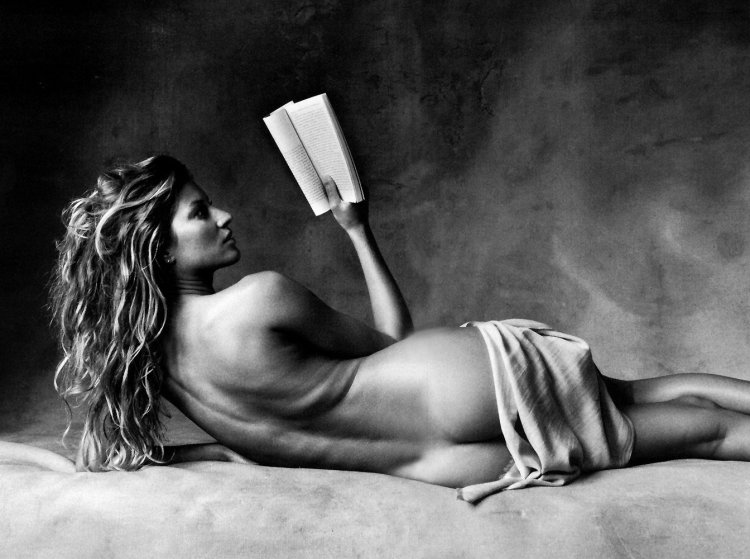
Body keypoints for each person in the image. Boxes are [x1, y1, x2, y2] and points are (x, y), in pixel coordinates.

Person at [50, 155, 750, 502]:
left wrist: (212, 450)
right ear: (159, 248)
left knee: (672, 427)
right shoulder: (259, 299)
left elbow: (123, 454)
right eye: (201, 212)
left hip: (440, 467)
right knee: (654, 401)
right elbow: (391, 343)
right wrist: (358, 231)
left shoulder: (158, 372)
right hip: (460, 383)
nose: (225, 216)